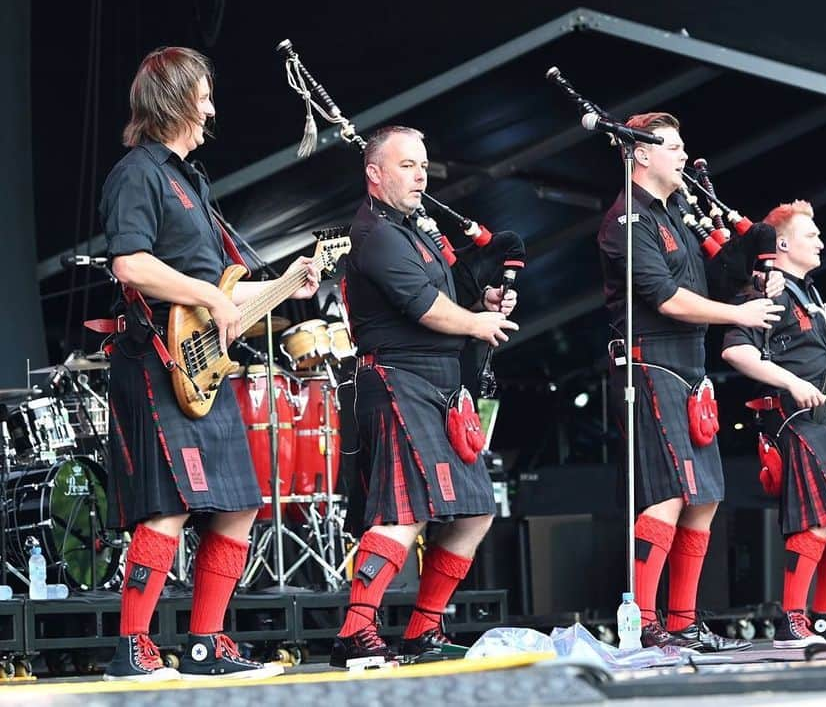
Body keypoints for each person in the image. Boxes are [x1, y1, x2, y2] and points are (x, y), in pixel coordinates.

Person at [100, 47, 320, 681]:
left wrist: (285, 284)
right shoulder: (137, 173)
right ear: (172, 100)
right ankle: (132, 648)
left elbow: (220, 288)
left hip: (205, 364)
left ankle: (206, 642)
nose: (212, 108)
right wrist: (211, 296)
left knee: (237, 504)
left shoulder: (192, 182)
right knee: (166, 508)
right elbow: (131, 264)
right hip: (155, 359)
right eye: (203, 95)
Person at [597, 112, 782, 652]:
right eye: (673, 147)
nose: (682, 156)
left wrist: (752, 267)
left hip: (691, 366)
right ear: (642, 155)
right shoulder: (625, 222)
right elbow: (666, 298)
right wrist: (739, 316)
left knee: (703, 497)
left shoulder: (677, 209)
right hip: (649, 361)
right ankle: (645, 619)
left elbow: (718, 272)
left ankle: (683, 620)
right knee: (667, 496)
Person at [335, 126, 518, 667]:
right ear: (375, 173)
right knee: (404, 513)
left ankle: (422, 631)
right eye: (408, 165)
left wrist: (479, 301)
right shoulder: (375, 233)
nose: (420, 175)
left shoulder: (414, 229)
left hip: (439, 384)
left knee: (474, 511)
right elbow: (422, 307)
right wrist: (477, 322)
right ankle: (354, 629)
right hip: (398, 379)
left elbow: (444, 296)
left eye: (422, 164)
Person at [722, 200, 826, 648]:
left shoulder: (808, 292)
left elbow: (818, 365)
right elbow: (737, 352)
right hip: (795, 419)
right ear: (782, 244)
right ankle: (791, 620)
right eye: (810, 234)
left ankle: (824, 615)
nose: (819, 240)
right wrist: (792, 383)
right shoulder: (767, 291)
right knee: (815, 519)